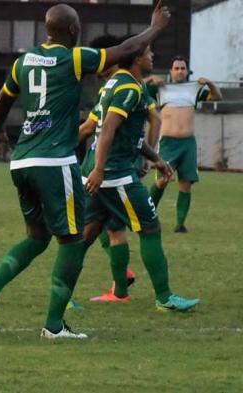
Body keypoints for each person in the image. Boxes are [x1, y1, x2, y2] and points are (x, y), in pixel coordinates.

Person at [0, 2, 171, 339]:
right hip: (55, 162)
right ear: (75, 31)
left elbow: (2, 100)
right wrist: (155, 28)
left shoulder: (24, 61)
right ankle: (53, 325)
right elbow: (126, 50)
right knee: (72, 240)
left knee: (36, 238)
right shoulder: (74, 58)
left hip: (21, 161)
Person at [81, 44, 199, 310]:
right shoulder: (128, 88)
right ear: (136, 59)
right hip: (115, 173)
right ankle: (164, 297)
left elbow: (124, 133)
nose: (153, 57)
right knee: (149, 228)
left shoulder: (115, 86)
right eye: (148, 53)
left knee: (91, 234)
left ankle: (68, 297)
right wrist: (99, 168)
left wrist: (155, 158)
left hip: (103, 171)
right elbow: (108, 128)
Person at [78, 34, 161, 300]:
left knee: (103, 228)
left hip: (104, 164)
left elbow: (92, 128)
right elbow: (100, 129)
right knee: (121, 228)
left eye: (101, 58)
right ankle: (155, 293)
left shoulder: (119, 85)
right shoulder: (123, 87)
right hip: (111, 167)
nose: (97, 65)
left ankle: (119, 286)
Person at [146, 56, 223, 233]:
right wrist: (150, 78)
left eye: (182, 68)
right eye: (176, 68)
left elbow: (217, 96)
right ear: (171, 71)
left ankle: (180, 224)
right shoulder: (160, 88)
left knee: (186, 183)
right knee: (163, 181)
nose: (180, 71)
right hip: (168, 143)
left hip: (188, 143)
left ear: (187, 71)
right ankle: (148, 217)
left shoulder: (194, 89)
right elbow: (137, 87)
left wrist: (209, 83)